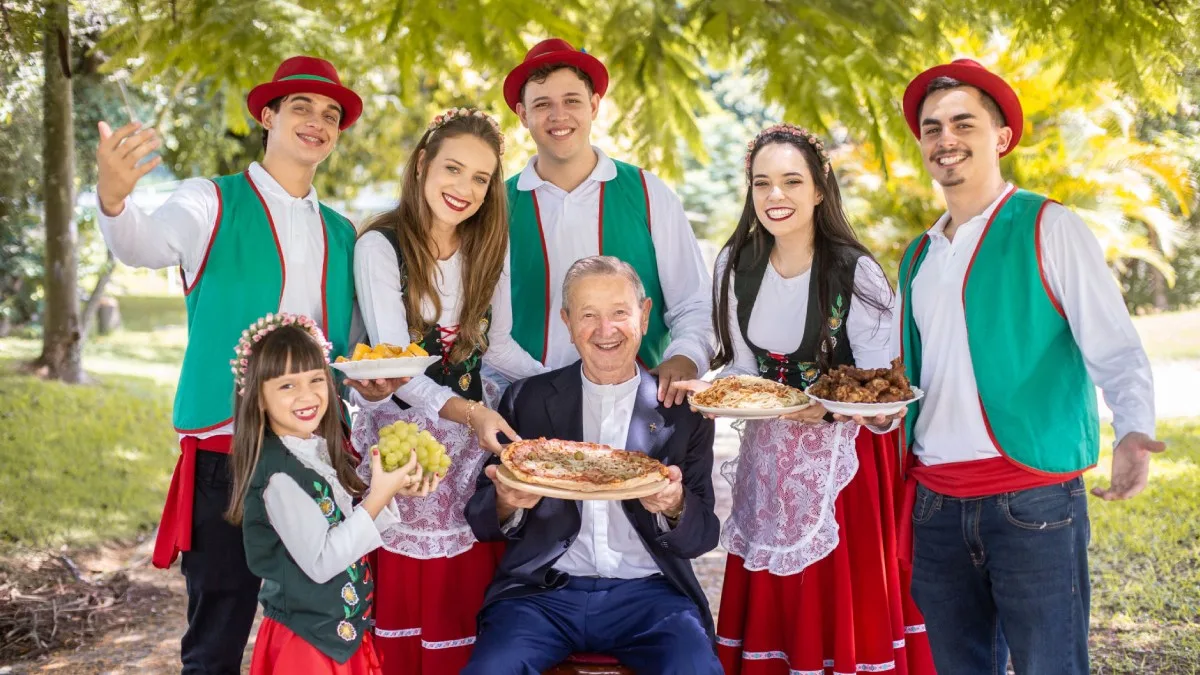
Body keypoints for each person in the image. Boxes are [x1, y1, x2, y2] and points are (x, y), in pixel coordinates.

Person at [95, 56, 397, 673]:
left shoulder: (344, 234)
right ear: (268, 115)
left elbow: (354, 355)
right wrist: (115, 198)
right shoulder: (210, 201)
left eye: (331, 114)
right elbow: (144, 244)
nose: (317, 122)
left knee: (322, 626)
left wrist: (374, 385)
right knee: (217, 635)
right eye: (301, 108)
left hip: (318, 461)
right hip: (229, 456)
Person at [896, 59, 1164, 674]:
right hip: (936, 503)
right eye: (932, 128)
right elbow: (913, 373)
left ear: (1001, 137)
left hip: (1033, 497)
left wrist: (1131, 430)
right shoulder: (919, 254)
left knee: (1051, 665)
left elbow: (1116, 346)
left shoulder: (1051, 225)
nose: (946, 138)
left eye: (963, 122)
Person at [671, 124, 935, 675]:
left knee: (839, 613)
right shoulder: (734, 266)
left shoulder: (853, 270)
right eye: (762, 182)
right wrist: (713, 389)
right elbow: (744, 369)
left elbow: (880, 386)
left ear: (819, 190)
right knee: (779, 608)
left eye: (792, 181)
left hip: (847, 468)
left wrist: (829, 408)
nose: (775, 196)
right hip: (768, 458)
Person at [350, 107, 546, 673]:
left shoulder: (489, 245)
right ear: (421, 166)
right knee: (417, 600)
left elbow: (499, 346)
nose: (465, 188)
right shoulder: (381, 247)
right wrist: (470, 412)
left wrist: (570, 381)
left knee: (467, 593)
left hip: (467, 439)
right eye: (453, 169)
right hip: (407, 440)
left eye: (481, 178)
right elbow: (399, 366)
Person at [462, 256, 723, 675]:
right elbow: (480, 520)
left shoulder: (682, 411)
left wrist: (675, 505)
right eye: (589, 315)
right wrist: (505, 501)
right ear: (567, 321)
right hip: (540, 597)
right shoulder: (526, 400)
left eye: (620, 313)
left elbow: (703, 536)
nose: (606, 330)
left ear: (644, 314)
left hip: (651, 598)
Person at [496, 38, 714, 405]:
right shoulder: (497, 208)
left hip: (639, 401)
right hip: (529, 401)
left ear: (594, 105)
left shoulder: (647, 192)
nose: (558, 115)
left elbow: (693, 300)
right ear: (522, 114)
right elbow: (480, 322)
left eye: (572, 101)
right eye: (542, 104)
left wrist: (686, 355)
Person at [223, 312, 438, 674]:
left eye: (315, 380)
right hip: (307, 648)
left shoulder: (312, 449)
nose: (306, 395)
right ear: (258, 398)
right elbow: (323, 561)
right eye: (287, 386)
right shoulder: (279, 476)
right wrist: (376, 497)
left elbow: (342, 529)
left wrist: (390, 491)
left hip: (337, 638)